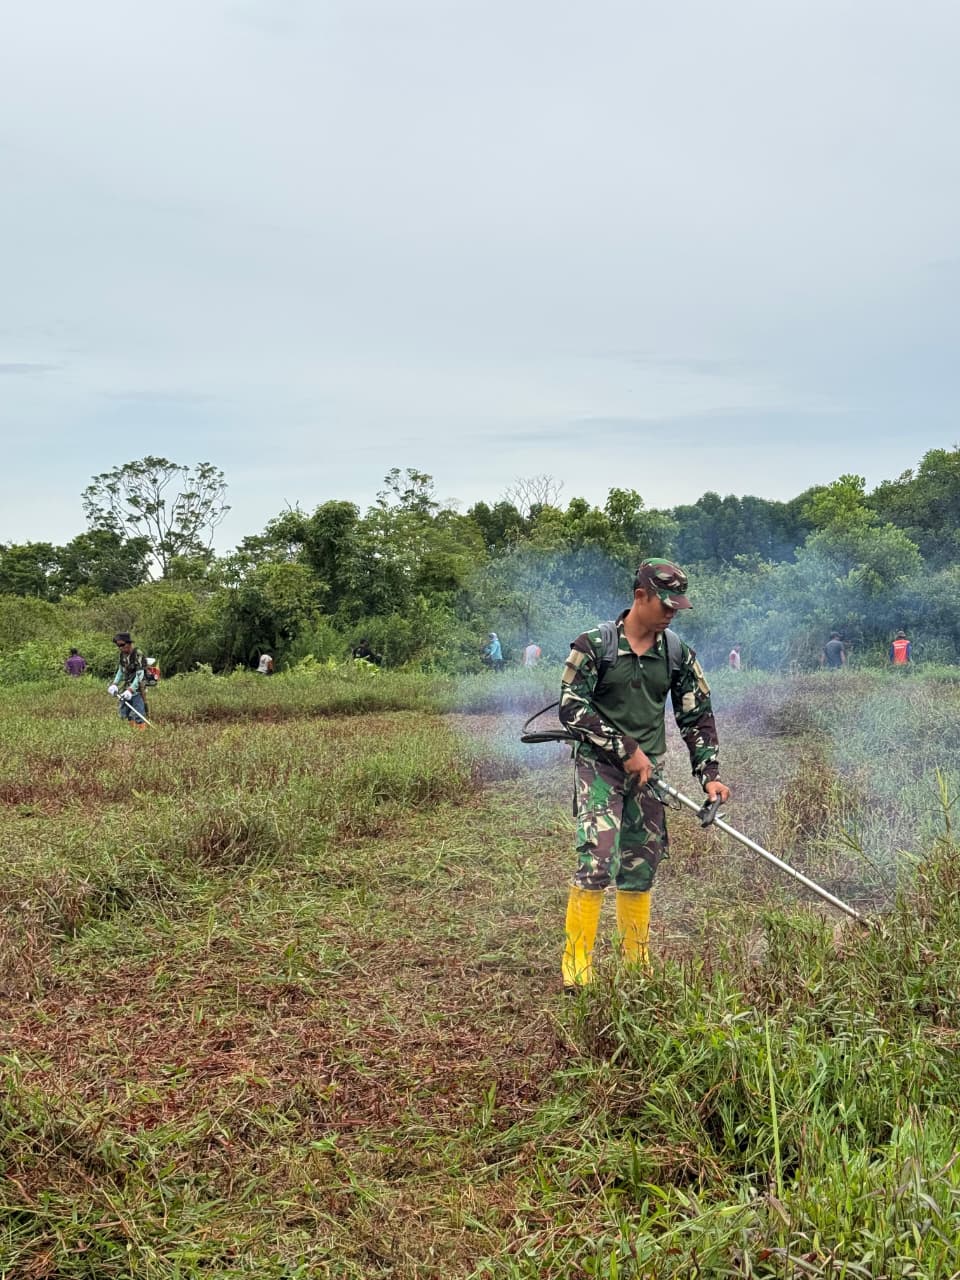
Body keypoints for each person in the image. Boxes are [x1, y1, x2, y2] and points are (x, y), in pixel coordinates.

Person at [558, 559, 730, 988]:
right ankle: (577, 966)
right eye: (666, 605)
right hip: (600, 767)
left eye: (678, 607)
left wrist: (709, 773)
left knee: (640, 865)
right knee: (597, 859)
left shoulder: (675, 653)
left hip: (649, 772)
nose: (672, 613)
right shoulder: (595, 645)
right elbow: (571, 708)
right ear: (641, 596)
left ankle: (636, 963)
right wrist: (624, 749)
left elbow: (697, 716)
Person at [108, 633, 149, 728]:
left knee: (138, 713)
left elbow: (140, 675)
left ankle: (141, 732)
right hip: (126, 685)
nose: (120, 647)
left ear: (129, 643)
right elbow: (120, 670)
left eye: (122, 645)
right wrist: (114, 684)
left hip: (138, 688)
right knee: (124, 712)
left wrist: (131, 690)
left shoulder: (138, 654)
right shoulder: (122, 655)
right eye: (118, 645)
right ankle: (130, 732)